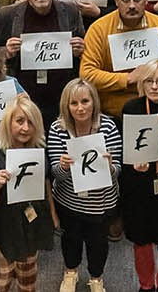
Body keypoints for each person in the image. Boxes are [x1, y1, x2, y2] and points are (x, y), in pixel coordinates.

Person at [114, 61, 158, 292]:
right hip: (139, 183)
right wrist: (134, 165)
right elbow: (125, 150)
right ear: (142, 84)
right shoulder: (131, 108)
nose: (154, 86)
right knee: (141, 234)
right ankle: (146, 286)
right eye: (149, 81)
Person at [47, 77, 122, 292]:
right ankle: (70, 272)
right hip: (68, 201)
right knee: (70, 240)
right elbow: (55, 173)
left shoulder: (108, 126)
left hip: (101, 203)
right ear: (66, 105)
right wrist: (63, 166)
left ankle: (96, 278)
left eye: (85, 101)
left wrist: (109, 167)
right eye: (74, 103)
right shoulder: (57, 128)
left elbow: (118, 170)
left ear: (94, 102)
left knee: (98, 244)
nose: (80, 108)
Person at [0, 0, 88, 124]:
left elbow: (84, 51)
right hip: (24, 95)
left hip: (63, 94)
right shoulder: (8, 14)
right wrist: (6, 51)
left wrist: (80, 50)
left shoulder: (70, 11)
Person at [0, 94, 54, 292]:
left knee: (28, 272)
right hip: (2, 223)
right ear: (8, 121)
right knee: (3, 274)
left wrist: (53, 215)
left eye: (31, 122)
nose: (26, 128)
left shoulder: (37, 145)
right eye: (20, 121)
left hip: (30, 219)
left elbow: (44, 182)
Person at [80, 0, 158, 115]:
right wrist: (128, 78)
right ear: (116, 0)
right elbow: (86, 74)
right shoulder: (98, 29)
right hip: (109, 111)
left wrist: (144, 78)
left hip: (153, 107)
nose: (132, 6)